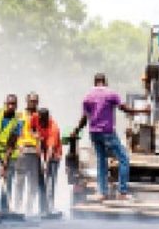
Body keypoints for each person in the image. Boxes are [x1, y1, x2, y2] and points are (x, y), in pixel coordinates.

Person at [70, 73, 148, 201]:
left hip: (94, 133)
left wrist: (76, 130)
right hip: (107, 132)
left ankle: (102, 192)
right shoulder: (110, 93)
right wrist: (143, 111)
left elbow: (84, 118)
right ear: (105, 82)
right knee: (123, 158)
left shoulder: (88, 97)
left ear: (95, 83)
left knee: (101, 161)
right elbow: (125, 109)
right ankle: (122, 192)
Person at [0, 94, 23, 215]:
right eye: (9, 103)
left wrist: (5, 164)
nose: (11, 106)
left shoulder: (18, 121)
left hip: (9, 154)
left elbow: (12, 144)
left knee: (6, 181)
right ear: (5, 103)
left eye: (13, 104)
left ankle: (5, 208)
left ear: (16, 106)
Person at [14, 92, 44, 215]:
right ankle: (17, 207)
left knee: (33, 182)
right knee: (20, 180)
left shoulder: (41, 116)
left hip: (35, 151)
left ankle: (29, 208)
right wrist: (18, 145)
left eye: (35, 101)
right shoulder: (20, 115)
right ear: (26, 101)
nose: (33, 103)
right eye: (31, 101)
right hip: (23, 150)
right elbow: (15, 132)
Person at [34, 107, 63, 214]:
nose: (41, 122)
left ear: (47, 118)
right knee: (41, 182)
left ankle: (50, 208)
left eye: (43, 120)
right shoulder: (36, 119)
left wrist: (45, 164)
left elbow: (50, 148)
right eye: (40, 119)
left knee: (50, 182)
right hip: (43, 154)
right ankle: (42, 208)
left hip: (54, 157)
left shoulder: (53, 127)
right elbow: (35, 134)